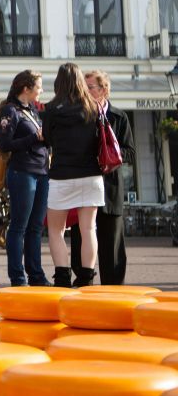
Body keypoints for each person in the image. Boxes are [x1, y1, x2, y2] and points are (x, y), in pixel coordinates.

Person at [69, 70, 135, 285]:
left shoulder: (119, 117)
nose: (85, 92)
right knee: (80, 240)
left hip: (110, 189)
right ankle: (83, 286)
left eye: (90, 87)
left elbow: (131, 152)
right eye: (84, 88)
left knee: (112, 246)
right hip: (85, 186)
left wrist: (110, 155)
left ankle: (113, 291)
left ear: (104, 90)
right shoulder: (80, 118)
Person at [41, 63, 103, 288]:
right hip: (91, 175)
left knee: (56, 230)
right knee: (88, 229)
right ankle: (86, 278)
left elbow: (47, 140)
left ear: (59, 82)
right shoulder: (93, 107)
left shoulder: (51, 109)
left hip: (62, 175)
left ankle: (63, 278)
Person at [0, 70, 50, 288]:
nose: (41, 90)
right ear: (26, 88)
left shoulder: (33, 110)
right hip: (22, 172)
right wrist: (34, 138)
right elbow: (5, 144)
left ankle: (36, 275)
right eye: (39, 86)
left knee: (36, 227)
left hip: (42, 172)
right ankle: (18, 278)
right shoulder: (10, 111)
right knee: (19, 227)